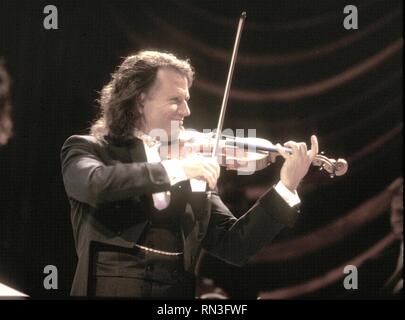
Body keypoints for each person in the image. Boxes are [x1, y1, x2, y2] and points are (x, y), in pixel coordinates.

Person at [61, 50, 319, 298]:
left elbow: (235, 246)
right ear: (140, 100)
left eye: (186, 100)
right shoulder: (89, 148)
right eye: (175, 100)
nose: (187, 111)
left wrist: (286, 186)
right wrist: (178, 169)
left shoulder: (193, 167)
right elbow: (94, 185)